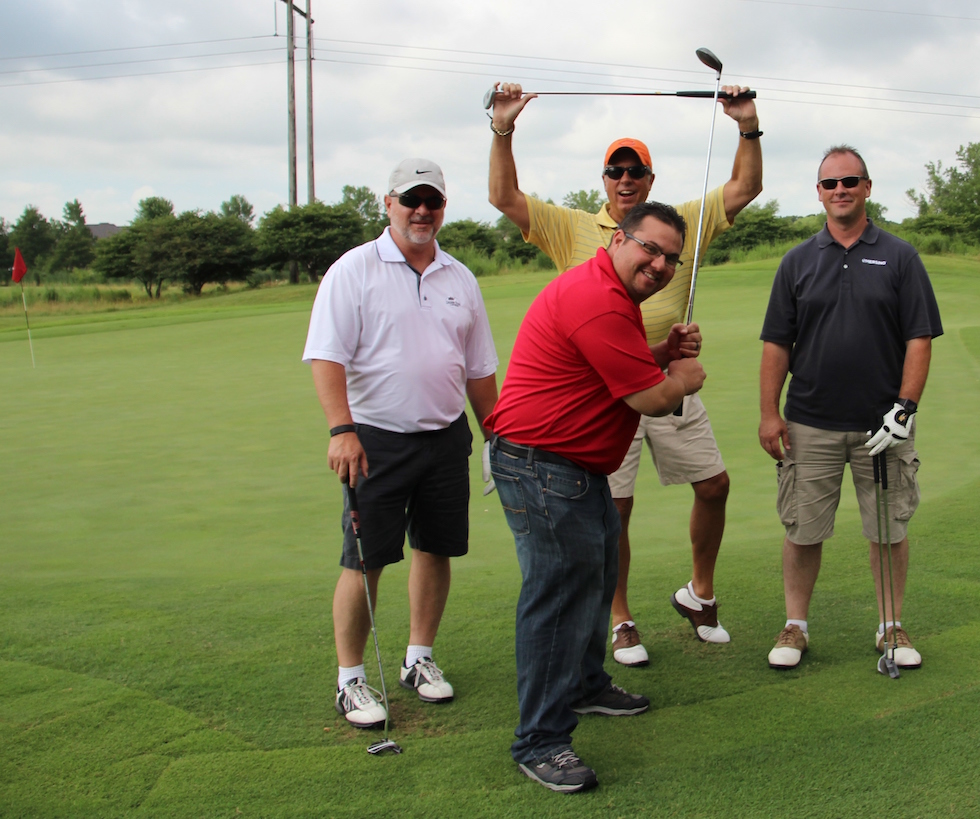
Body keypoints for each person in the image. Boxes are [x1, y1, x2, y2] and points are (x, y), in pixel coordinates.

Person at [487, 81, 763, 667]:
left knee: (714, 484)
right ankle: (621, 621)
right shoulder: (572, 227)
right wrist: (504, 128)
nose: (625, 178)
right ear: (604, 181)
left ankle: (700, 595)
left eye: (635, 169)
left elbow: (746, 187)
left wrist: (746, 123)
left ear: (650, 180)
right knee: (614, 507)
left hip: (656, 370)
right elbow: (503, 195)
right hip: (610, 395)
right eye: (615, 170)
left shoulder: (676, 221)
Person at [486, 202, 707, 792]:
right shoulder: (601, 300)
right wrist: (682, 377)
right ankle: (540, 739)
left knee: (598, 567)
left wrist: (661, 354)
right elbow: (652, 400)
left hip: (570, 468)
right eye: (650, 249)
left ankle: (584, 685)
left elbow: (612, 370)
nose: (659, 265)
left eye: (671, 259)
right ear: (618, 238)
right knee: (557, 595)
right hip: (542, 465)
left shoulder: (613, 294)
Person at [302, 159, 499, 727]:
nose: (422, 210)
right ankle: (351, 680)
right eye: (411, 199)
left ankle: (420, 657)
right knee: (364, 560)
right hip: (375, 442)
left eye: (432, 201)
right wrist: (342, 429)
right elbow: (327, 355)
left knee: (436, 549)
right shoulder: (354, 270)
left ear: (443, 208)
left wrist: (497, 439)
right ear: (387, 202)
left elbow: (479, 370)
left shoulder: (460, 277)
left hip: (444, 439)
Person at [758, 145, 943, 672]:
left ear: (867, 187)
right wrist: (770, 414)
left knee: (888, 530)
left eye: (850, 181)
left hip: (882, 426)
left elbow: (919, 337)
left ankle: (890, 626)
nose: (840, 190)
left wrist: (904, 409)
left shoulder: (901, 256)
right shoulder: (797, 261)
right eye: (830, 183)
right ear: (819, 192)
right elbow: (776, 343)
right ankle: (796, 625)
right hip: (809, 421)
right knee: (802, 529)